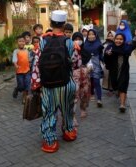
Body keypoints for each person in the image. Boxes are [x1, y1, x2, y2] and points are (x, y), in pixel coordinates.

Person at [39, 10, 76, 153]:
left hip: (48, 83)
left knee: (49, 111)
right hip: (66, 83)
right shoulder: (69, 42)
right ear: (64, 24)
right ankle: (68, 132)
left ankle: (50, 142)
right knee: (67, 109)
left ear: (50, 23)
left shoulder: (43, 40)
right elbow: (70, 60)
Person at [104, 29, 136, 112]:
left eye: (121, 39)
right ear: (114, 39)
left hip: (124, 70)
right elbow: (105, 58)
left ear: (123, 40)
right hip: (114, 71)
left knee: (123, 86)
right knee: (115, 85)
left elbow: (133, 45)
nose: (118, 41)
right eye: (117, 39)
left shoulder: (126, 47)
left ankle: (122, 104)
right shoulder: (110, 47)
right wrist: (107, 54)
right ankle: (118, 92)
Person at [71, 32, 91, 127]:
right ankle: (73, 116)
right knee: (74, 96)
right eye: (75, 39)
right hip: (74, 77)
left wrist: (88, 68)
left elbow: (90, 63)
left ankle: (83, 108)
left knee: (85, 94)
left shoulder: (85, 51)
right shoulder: (70, 51)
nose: (78, 41)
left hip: (85, 76)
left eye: (80, 39)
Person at [84, 29, 104, 107]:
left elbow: (101, 55)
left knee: (96, 81)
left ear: (95, 35)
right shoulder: (84, 45)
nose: (91, 36)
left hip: (96, 65)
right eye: (89, 34)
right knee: (89, 81)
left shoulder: (99, 44)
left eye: (93, 34)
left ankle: (99, 99)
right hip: (87, 65)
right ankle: (91, 94)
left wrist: (104, 60)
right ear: (87, 36)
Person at [12, 35, 31, 104]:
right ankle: (17, 89)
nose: (21, 43)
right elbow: (14, 60)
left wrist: (30, 62)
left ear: (25, 42)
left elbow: (29, 59)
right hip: (19, 72)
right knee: (21, 85)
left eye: (23, 41)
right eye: (19, 41)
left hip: (27, 71)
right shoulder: (16, 51)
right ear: (17, 42)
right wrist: (16, 65)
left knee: (27, 84)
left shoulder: (27, 51)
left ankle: (24, 97)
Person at [102, 31, 116, 95]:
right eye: (109, 35)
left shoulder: (116, 44)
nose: (110, 37)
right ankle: (109, 89)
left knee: (113, 76)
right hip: (106, 62)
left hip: (114, 63)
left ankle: (113, 89)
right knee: (107, 76)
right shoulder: (104, 44)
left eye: (111, 36)